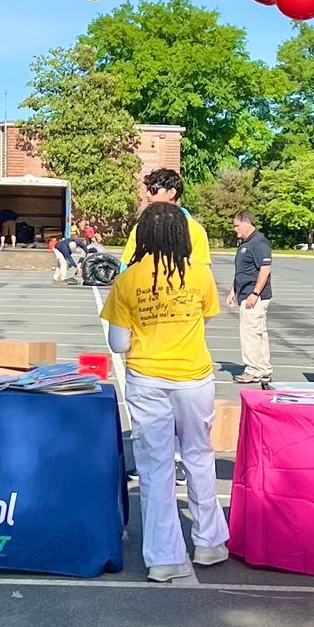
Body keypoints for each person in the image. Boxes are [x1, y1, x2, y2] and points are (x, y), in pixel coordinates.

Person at [102, 199, 228, 583]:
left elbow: (118, 343)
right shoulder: (200, 275)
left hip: (147, 378)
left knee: (155, 467)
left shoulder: (128, 280)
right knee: (198, 456)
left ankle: (164, 557)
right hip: (194, 377)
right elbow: (205, 319)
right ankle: (209, 542)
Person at [120, 167, 211, 272]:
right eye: (147, 190)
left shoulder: (195, 230)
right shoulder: (140, 228)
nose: (148, 195)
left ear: (172, 192)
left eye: (153, 190)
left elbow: (203, 272)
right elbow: (125, 267)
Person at [226, 209, 274, 389]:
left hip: (254, 296)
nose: (235, 229)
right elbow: (243, 270)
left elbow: (265, 269)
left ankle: (252, 370)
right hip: (245, 293)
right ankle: (263, 368)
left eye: (237, 225)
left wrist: (255, 293)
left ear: (246, 223)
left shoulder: (258, 242)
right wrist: (233, 290)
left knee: (250, 333)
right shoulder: (246, 243)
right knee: (258, 333)